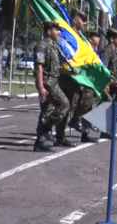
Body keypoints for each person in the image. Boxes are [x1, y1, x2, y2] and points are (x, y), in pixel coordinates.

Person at [56, 9, 97, 145]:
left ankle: (78, 124)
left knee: (86, 96)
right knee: (67, 105)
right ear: (74, 19)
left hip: (77, 74)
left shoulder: (81, 37)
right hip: (65, 74)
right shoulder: (66, 34)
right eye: (82, 19)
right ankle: (60, 135)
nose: (84, 22)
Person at [33, 21, 70, 152]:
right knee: (64, 104)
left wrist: (68, 72)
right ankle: (45, 128)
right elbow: (39, 66)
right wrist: (41, 86)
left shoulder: (54, 46)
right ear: (49, 31)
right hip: (47, 82)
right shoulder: (42, 45)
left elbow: (54, 67)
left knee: (47, 110)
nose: (59, 32)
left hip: (54, 80)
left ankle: (41, 141)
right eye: (56, 30)